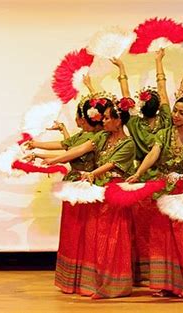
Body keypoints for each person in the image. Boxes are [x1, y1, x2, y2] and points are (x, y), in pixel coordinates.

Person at [126, 84, 183, 300]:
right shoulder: (164, 133)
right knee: (162, 237)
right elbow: (153, 154)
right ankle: (166, 283)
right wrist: (138, 173)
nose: (175, 115)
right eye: (175, 111)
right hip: (165, 189)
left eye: (181, 112)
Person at [43, 97, 137, 299]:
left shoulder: (128, 144)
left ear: (118, 120)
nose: (102, 121)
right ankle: (92, 283)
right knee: (95, 236)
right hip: (99, 191)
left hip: (114, 193)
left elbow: (111, 165)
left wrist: (94, 173)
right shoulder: (103, 136)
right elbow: (79, 149)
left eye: (106, 118)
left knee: (111, 237)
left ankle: (111, 286)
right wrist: (53, 160)